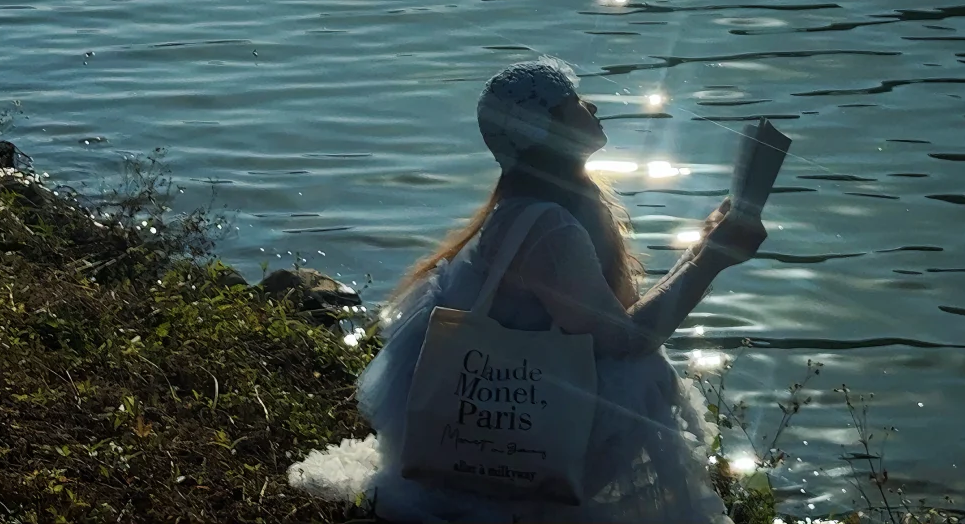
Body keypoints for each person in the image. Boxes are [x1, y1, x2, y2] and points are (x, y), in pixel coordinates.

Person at [289, 57, 767, 523]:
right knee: (639, 375)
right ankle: (535, 502)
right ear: (546, 129)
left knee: (632, 364)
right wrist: (712, 258)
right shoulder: (547, 226)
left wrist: (704, 246)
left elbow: (612, 320)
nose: (592, 107)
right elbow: (625, 340)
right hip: (511, 412)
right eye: (575, 102)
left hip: (501, 396)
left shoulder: (539, 202)